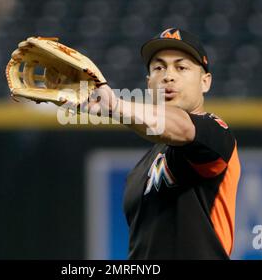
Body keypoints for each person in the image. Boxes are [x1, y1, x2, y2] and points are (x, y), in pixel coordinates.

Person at [87, 28, 241, 260]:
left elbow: (182, 127)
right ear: (149, 83)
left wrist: (115, 106)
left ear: (205, 82)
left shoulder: (216, 132)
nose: (168, 76)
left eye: (181, 67)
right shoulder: (139, 171)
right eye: (159, 67)